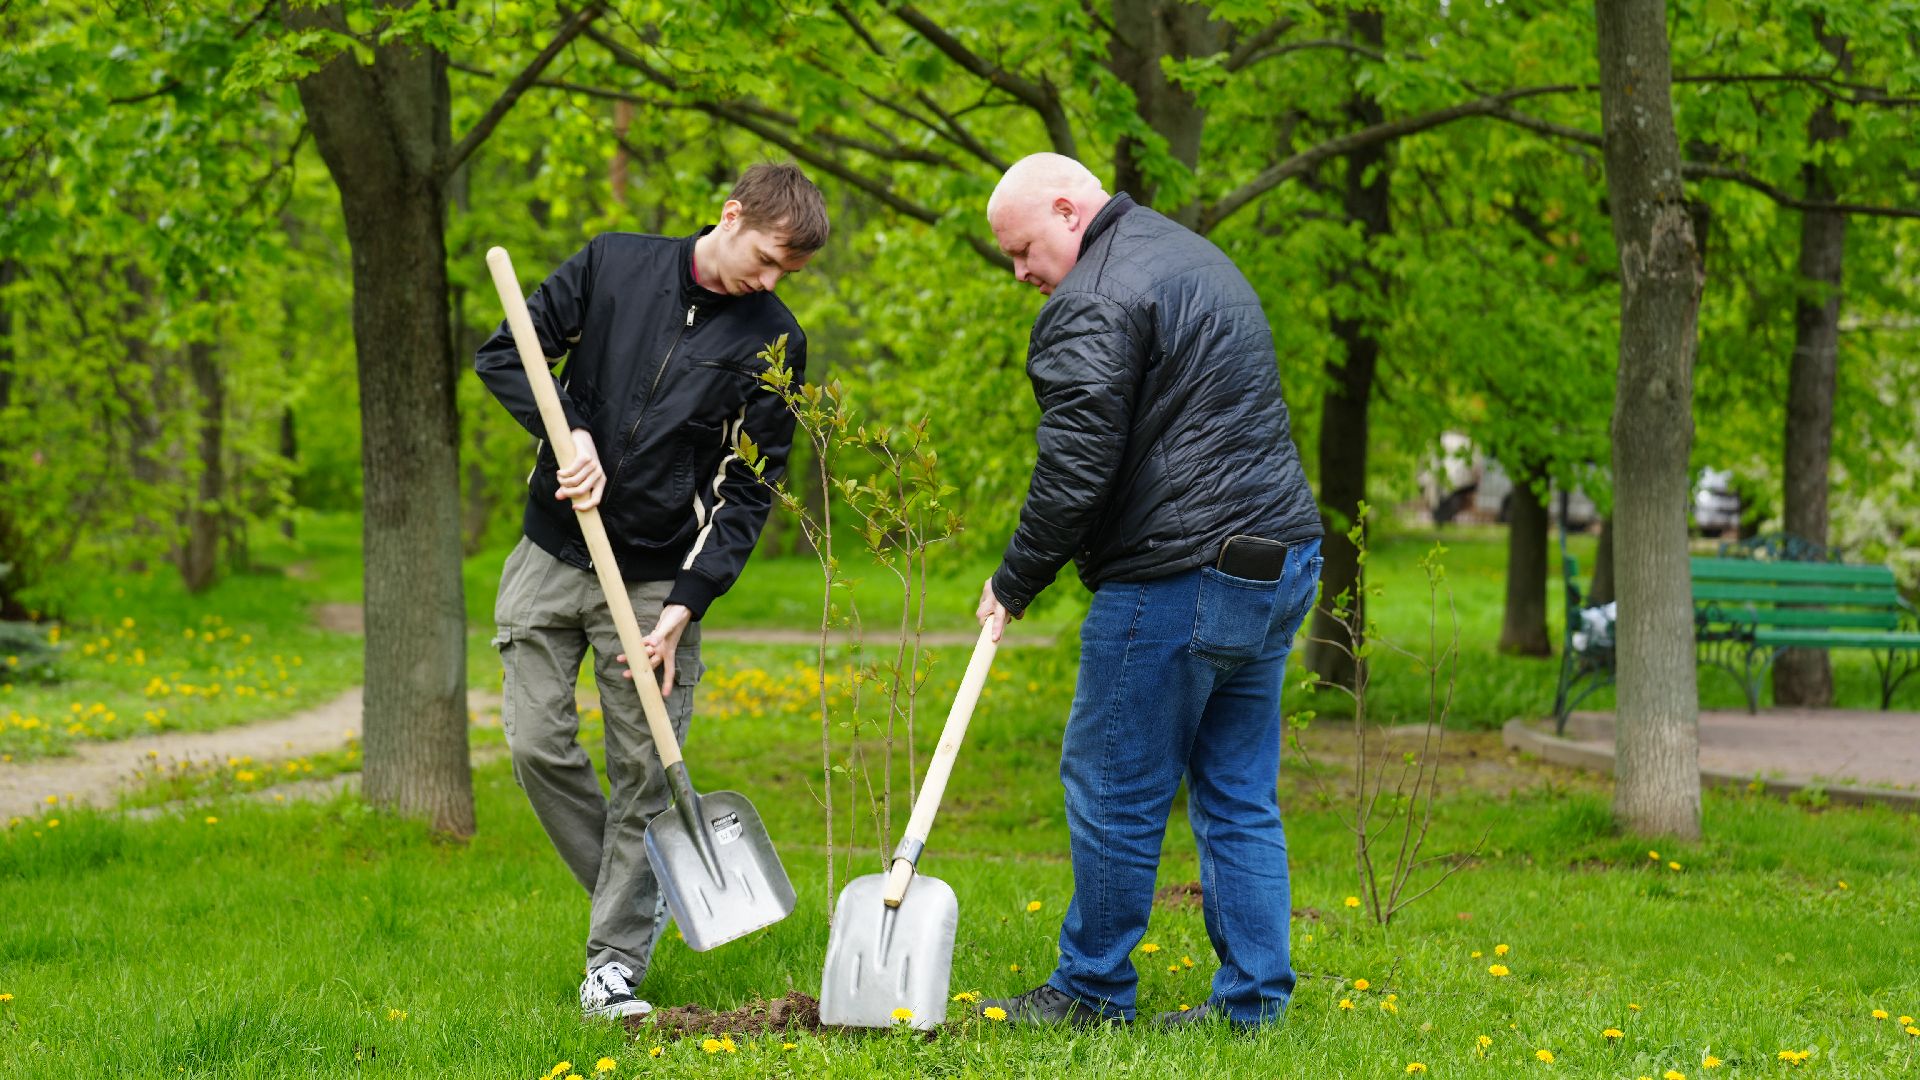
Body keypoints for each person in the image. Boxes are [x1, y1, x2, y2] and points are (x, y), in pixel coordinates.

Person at [975, 153, 1323, 1029]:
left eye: (1023, 250)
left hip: (1178, 574)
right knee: (1237, 792)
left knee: (1112, 785)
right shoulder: (1194, 256)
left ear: (1067, 208)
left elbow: (1074, 470)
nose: (1021, 274)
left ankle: (1089, 993)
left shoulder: (1090, 295)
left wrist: (1013, 581)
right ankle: (1252, 1007)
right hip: (1278, 561)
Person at [474, 163, 826, 1020]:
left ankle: (614, 966)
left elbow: (751, 489)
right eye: (769, 259)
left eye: (789, 274)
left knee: (643, 771)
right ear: (731, 214)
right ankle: (642, 888)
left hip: (656, 580)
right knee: (533, 743)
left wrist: (688, 601)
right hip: (552, 552)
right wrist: (570, 429)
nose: (771, 282)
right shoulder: (613, 265)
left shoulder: (774, 341)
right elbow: (504, 354)